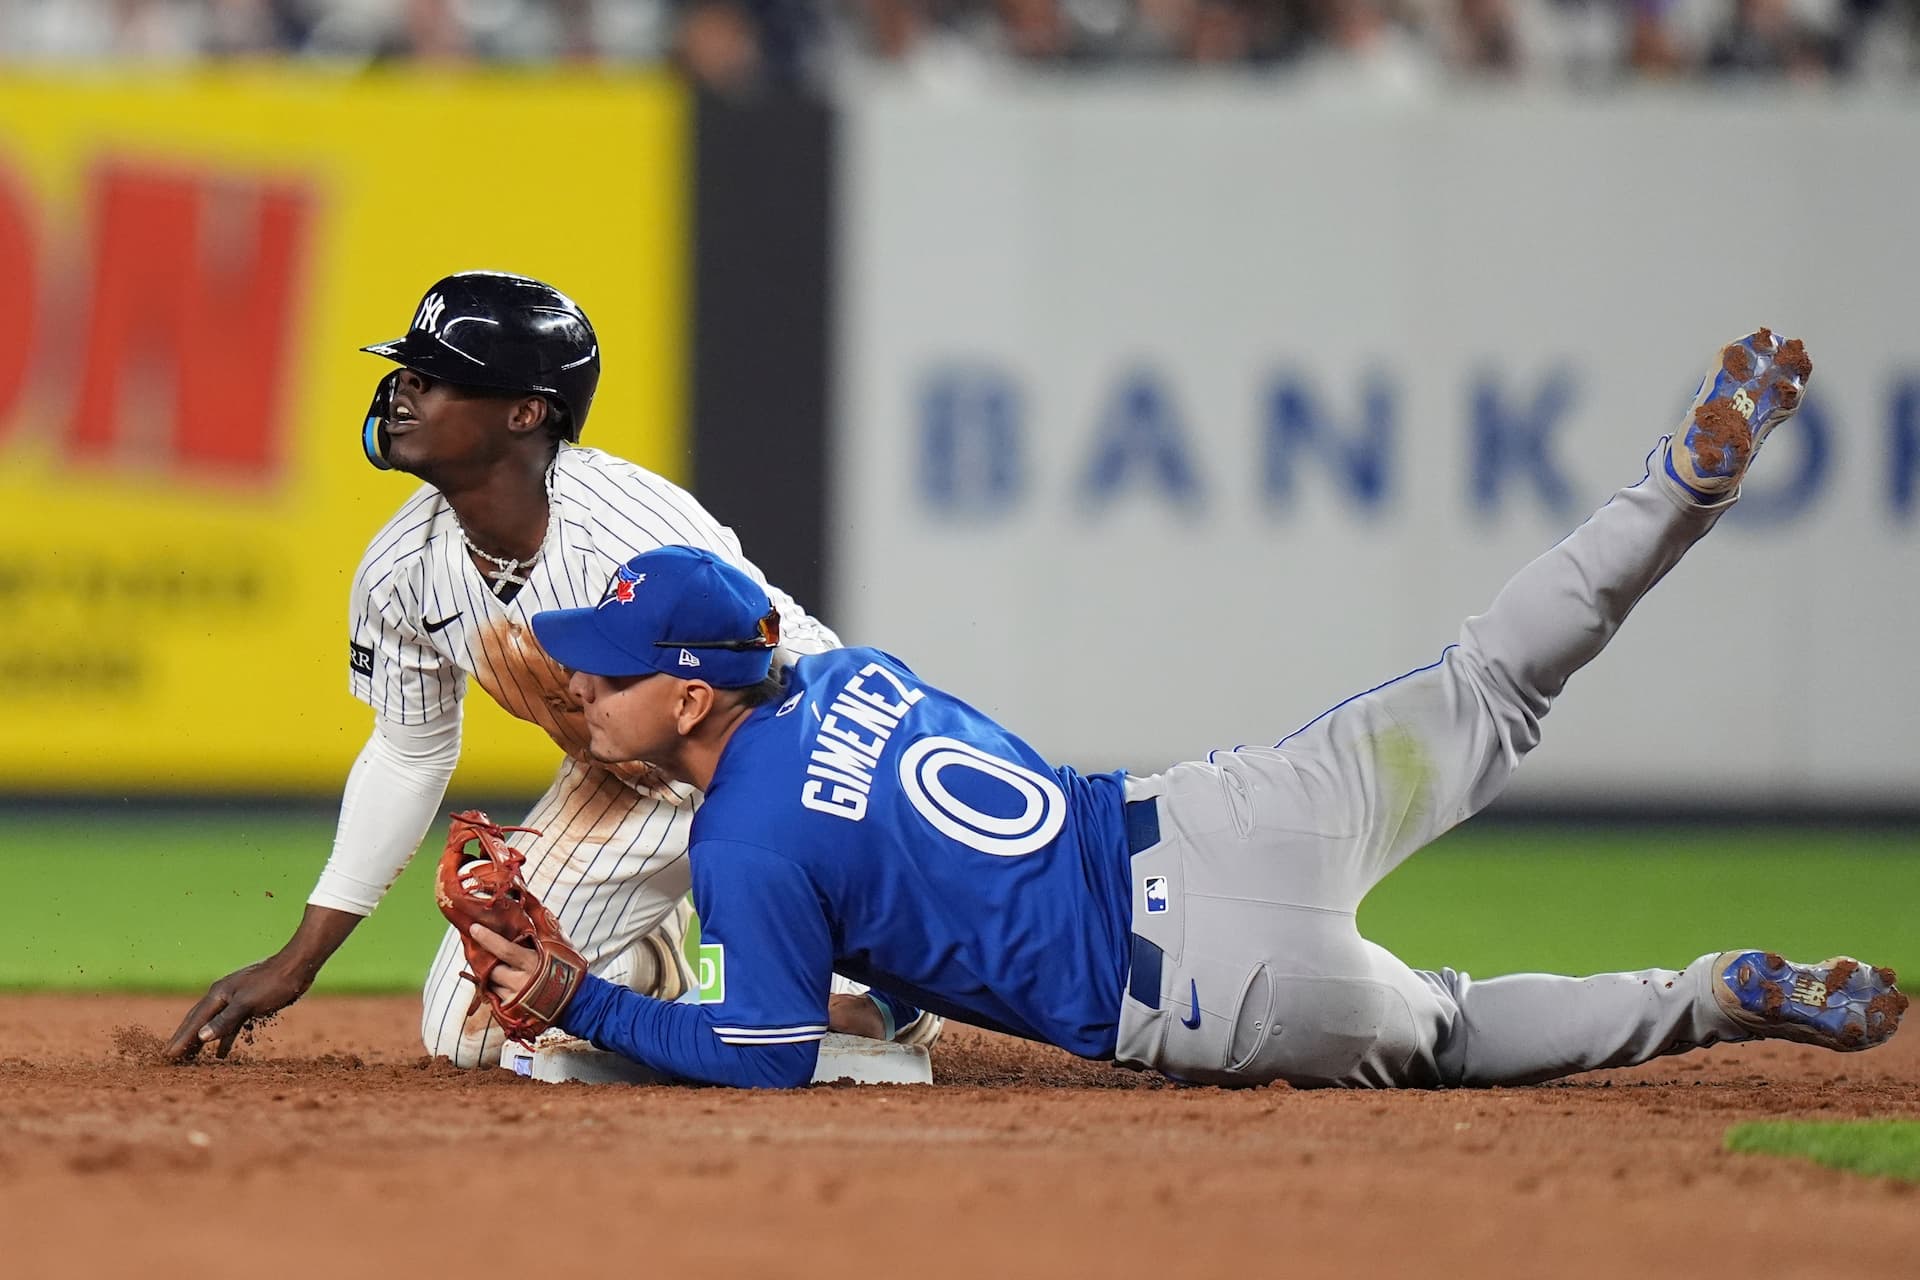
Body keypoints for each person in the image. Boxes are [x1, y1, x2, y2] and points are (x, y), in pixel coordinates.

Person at [463, 327, 1907, 1089]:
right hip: (1224, 817)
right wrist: (601, 730)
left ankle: (1715, 998)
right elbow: (907, 879)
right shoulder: (849, 674)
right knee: (1491, 676)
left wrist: (579, 998)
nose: (582, 680)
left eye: (606, 663)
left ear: (697, 681)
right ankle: (1677, 485)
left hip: (1211, 991)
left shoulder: (746, 849)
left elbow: (761, 1060)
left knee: (1455, 1036)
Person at [165, 270, 934, 1066]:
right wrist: (299, 960)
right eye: (404, 371)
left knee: (806, 1009)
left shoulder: (628, 531)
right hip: (625, 786)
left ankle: (890, 991)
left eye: (435, 379)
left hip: (774, 763)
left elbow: (796, 662)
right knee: (469, 1033)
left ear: (526, 412)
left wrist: (865, 820)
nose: (401, 391)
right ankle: (650, 964)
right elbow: (409, 753)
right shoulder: (400, 569)